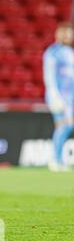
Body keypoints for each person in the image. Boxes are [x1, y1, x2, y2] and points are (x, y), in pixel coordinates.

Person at [43, 22, 74, 172]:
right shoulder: (53, 52)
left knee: (68, 126)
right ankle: (55, 159)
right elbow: (49, 75)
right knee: (63, 125)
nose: (69, 36)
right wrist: (54, 95)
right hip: (58, 96)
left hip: (70, 98)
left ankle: (59, 159)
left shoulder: (69, 51)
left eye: (71, 33)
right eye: (66, 33)